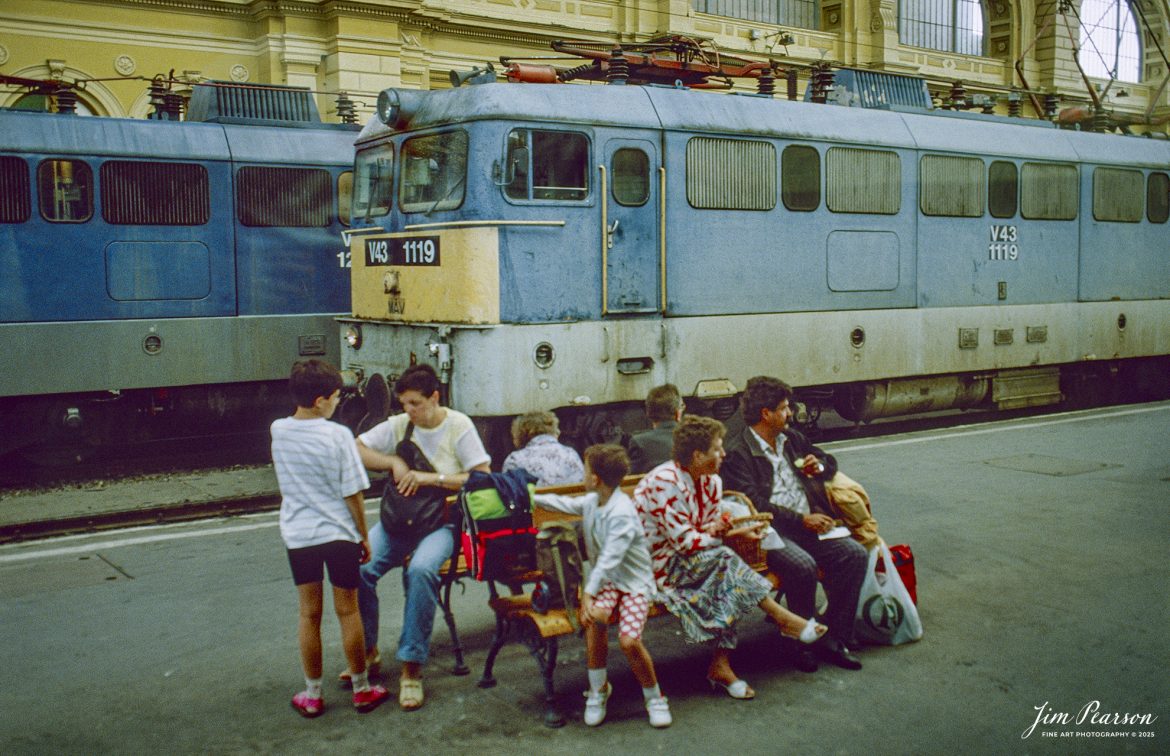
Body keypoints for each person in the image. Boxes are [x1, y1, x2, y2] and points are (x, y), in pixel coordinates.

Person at [633, 416, 826, 700]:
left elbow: (708, 529)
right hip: (657, 567)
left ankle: (721, 665)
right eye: (717, 449)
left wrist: (735, 532)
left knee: (726, 570)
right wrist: (726, 537)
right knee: (724, 560)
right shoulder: (664, 482)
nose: (724, 454)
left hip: (699, 560)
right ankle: (782, 619)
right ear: (698, 455)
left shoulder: (711, 481)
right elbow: (685, 542)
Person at [353, 364, 491, 710]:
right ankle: (367, 651)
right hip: (399, 521)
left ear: (434, 397)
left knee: (421, 571)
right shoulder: (402, 425)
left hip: (441, 524)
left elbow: (482, 477)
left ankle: (411, 668)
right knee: (359, 569)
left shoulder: (459, 426)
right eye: (403, 404)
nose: (408, 411)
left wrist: (432, 479)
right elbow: (356, 448)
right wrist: (393, 464)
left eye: (415, 403)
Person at [720, 376, 868, 673]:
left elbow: (829, 461)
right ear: (766, 414)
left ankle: (834, 638)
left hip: (811, 525)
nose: (790, 413)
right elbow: (755, 504)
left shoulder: (793, 440)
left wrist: (819, 466)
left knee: (854, 555)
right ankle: (801, 641)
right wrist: (802, 519)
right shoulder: (738, 452)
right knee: (802, 565)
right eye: (785, 408)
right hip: (773, 534)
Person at [270, 359, 390, 717]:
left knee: (309, 615)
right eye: (336, 397)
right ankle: (362, 689)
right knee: (348, 611)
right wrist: (364, 535)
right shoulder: (337, 435)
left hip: (299, 535)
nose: (338, 403)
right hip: (339, 535)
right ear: (321, 400)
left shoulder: (278, 429)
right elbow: (353, 493)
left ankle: (312, 694)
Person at [533, 445, 671, 728]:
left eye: (585, 471)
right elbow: (567, 505)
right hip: (608, 582)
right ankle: (598, 690)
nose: (582, 475)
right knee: (595, 620)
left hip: (634, 584)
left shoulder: (621, 512)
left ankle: (654, 697)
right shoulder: (594, 500)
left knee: (629, 640)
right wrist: (533, 497)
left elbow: (609, 559)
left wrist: (588, 596)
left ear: (595, 478)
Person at [502, 410, 585, 486]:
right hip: (571, 501)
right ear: (554, 431)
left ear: (520, 435)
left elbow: (510, 496)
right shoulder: (571, 454)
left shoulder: (514, 460)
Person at [626, 384, 683, 474]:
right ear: (677, 413)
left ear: (648, 413)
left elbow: (630, 480)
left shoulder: (639, 442)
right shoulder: (694, 438)